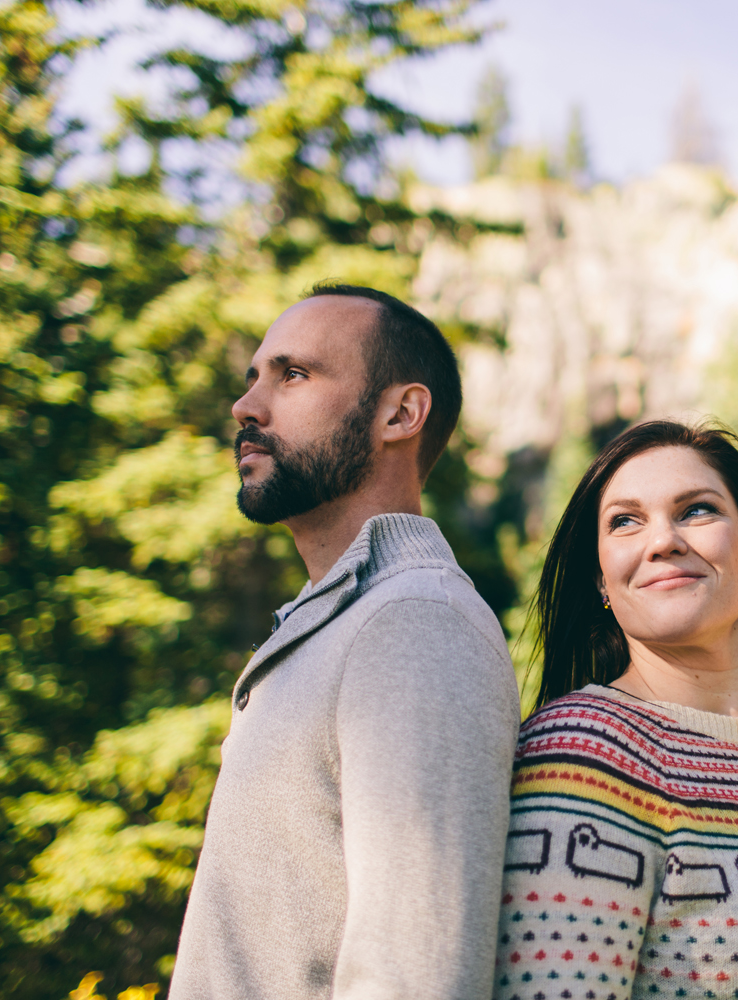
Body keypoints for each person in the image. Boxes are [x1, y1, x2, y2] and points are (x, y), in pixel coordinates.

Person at [170, 284, 521, 1000]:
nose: (246, 407)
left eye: (293, 375)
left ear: (400, 414)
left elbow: (417, 977)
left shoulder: (416, 620)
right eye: (254, 378)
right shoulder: (337, 621)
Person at [492, 420, 738, 1000]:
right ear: (601, 579)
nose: (663, 541)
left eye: (697, 511)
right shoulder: (581, 753)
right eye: (625, 521)